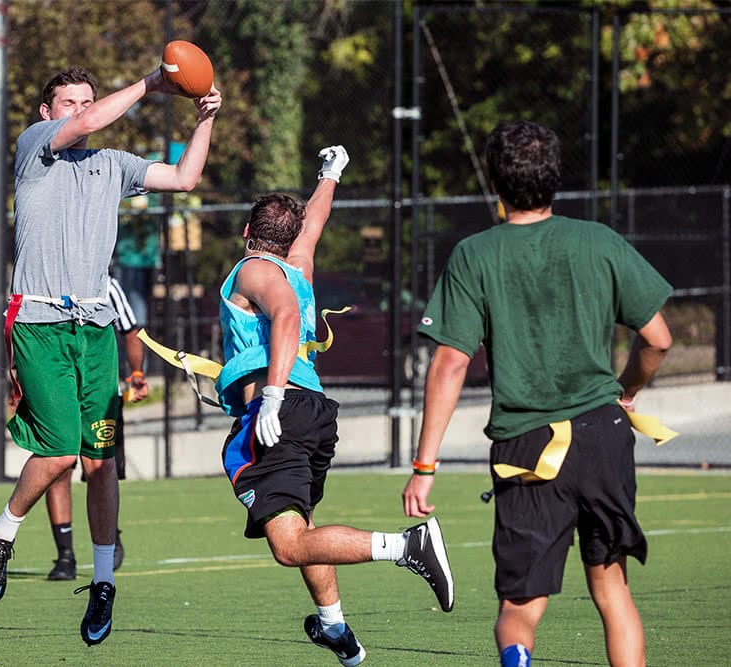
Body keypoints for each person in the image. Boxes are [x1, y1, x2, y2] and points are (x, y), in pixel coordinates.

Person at [403, 120, 673, 667]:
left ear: (496, 184)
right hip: (603, 436)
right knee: (612, 589)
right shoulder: (599, 241)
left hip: (526, 448)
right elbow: (658, 339)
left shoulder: (474, 254)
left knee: (519, 608)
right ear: (555, 179)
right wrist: (627, 391)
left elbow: (451, 362)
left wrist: (424, 465)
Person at [0, 66, 220, 648]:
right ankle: (4, 529)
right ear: (46, 111)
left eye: (86, 100)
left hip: (95, 329)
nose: (80, 110)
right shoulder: (35, 149)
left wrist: (206, 118)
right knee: (60, 452)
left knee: (101, 460)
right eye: (67, 102)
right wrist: (149, 85)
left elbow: (186, 178)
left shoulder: (111, 164)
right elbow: (84, 123)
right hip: (40, 323)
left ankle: (104, 580)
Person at [216, 146, 454, 667]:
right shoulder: (297, 264)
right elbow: (315, 222)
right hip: (314, 413)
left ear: (246, 234)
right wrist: (330, 174)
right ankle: (333, 626)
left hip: (279, 411)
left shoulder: (254, 270)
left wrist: (272, 396)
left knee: (287, 545)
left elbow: (281, 317)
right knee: (300, 527)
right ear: (290, 237)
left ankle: (407, 548)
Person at [46, 275, 149, 581]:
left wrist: (137, 373)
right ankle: (65, 555)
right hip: (60, 392)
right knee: (58, 466)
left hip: (101, 395)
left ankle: (109, 534)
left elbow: (131, 331)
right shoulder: (46, 284)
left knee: (101, 469)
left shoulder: (107, 284)